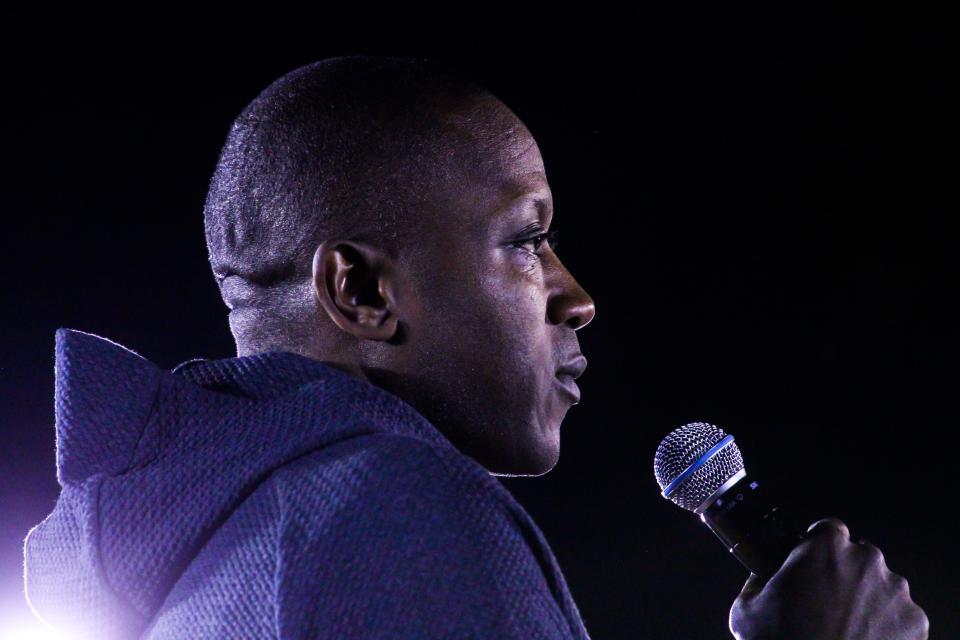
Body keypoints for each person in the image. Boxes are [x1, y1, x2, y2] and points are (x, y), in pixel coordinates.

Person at [22, 56, 927, 639]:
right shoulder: (397, 508)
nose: (577, 298)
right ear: (364, 292)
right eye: (527, 241)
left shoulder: (210, 565)